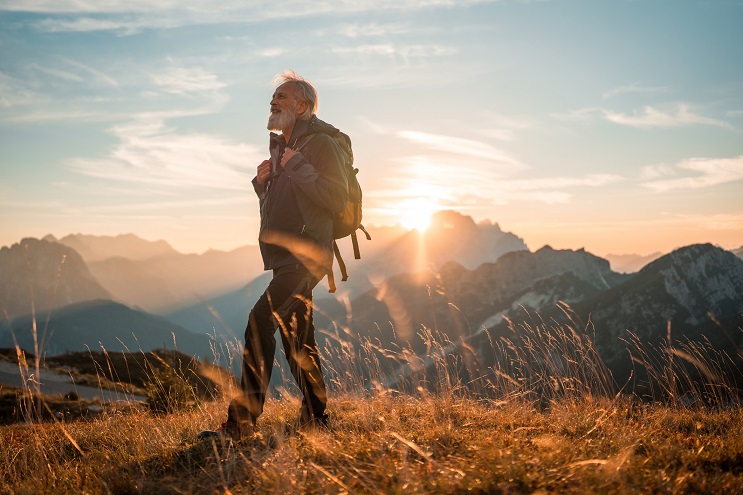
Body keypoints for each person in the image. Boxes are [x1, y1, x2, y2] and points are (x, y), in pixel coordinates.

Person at [200, 71, 349, 440]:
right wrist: (262, 186)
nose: (273, 101)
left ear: (302, 106)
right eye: (273, 97)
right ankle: (316, 418)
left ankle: (241, 423)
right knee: (298, 341)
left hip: (308, 255)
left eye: (282, 97)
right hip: (287, 257)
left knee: (259, 322)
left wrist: (296, 168)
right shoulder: (283, 146)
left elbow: (336, 199)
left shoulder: (320, 144)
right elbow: (285, 209)